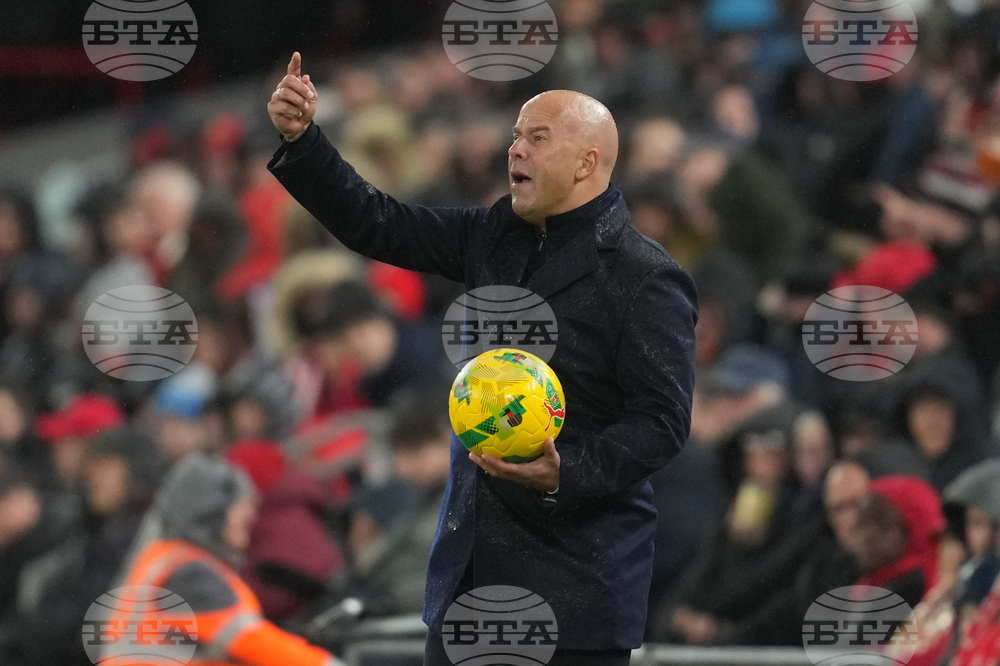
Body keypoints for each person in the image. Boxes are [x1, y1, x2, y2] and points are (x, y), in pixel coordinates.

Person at [267, 53, 698, 664]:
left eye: (537, 138)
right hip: (469, 580)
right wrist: (303, 141)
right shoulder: (493, 235)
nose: (515, 149)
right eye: (516, 135)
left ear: (587, 162)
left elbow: (662, 421)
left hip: (575, 590)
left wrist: (565, 472)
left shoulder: (646, 276)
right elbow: (377, 223)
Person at [105, 453, 340, 666]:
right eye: (242, 505)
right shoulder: (191, 573)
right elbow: (251, 640)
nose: (250, 515)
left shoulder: (165, 559)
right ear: (213, 510)